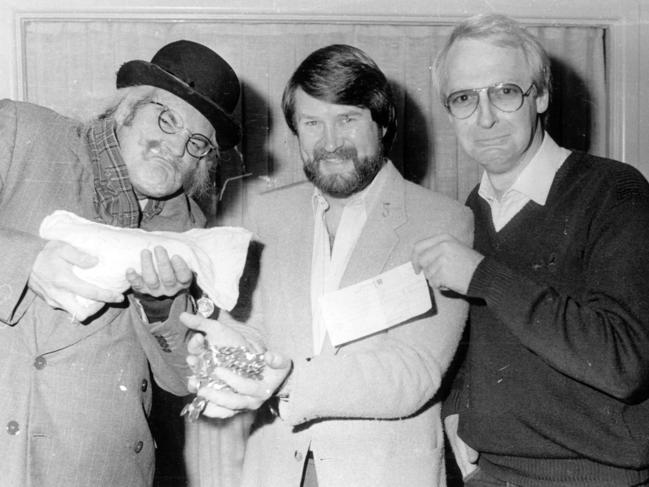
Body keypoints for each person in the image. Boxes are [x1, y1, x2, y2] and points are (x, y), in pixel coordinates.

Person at [180, 43, 473, 487]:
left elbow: (413, 370)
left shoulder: (442, 221)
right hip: (273, 471)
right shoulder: (264, 216)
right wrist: (223, 355)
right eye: (312, 123)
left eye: (348, 119)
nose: (330, 142)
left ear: (382, 124)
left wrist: (286, 378)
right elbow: (250, 334)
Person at [411, 13, 649, 487]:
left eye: (503, 92)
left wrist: (483, 277)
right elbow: (468, 342)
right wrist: (458, 408)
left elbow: (624, 362)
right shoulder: (468, 213)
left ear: (540, 96)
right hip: (491, 476)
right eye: (464, 98)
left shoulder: (614, 190)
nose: (484, 118)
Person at [0, 40, 241, 487]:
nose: (175, 147)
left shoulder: (187, 229)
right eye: (166, 119)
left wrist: (160, 306)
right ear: (126, 107)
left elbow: (182, 378)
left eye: (197, 143)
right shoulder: (20, 132)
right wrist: (25, 262)